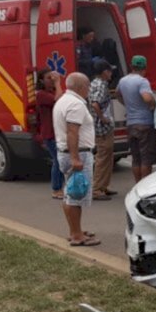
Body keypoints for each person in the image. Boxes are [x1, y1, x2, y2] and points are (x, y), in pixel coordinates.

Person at [53, 72, 99, 246]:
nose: (89, 90)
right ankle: (77, 235)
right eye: (88, 87)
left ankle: (75, 230)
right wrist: (75, 158)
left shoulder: (63, 101)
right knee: (76, 195)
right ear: (81, 87)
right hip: (77, 153)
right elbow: (72, 131)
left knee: (70, 194)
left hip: (67, 152)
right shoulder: (75, 104)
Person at [118, 55, 156, 182]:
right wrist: (153, 105)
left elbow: (117, 94)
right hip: (145, 123)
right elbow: (147, 98)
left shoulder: (123, 81)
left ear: (131, 66)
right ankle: (145, 186)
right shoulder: (142, 81)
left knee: (136, 158)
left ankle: (137, 184)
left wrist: (127, 105)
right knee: (146, 158)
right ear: (144, 68)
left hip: (131, 123)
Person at [88, 59, 116, 199]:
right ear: (105, 72)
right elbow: (95, 104)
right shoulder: (100, 85)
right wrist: (103, 118)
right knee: (103, 158)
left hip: (101, 127)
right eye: (110, 71)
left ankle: (103, 186)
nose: (111, 73)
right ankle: (97, 189)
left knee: (107, 157)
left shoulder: (95, 83)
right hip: (102, 128)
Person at [35, 69, 65, 199]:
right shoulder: (41, 94)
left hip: (58, 132)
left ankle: (61, 187)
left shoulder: (51, 92)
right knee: (58, 160)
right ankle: (56, 188)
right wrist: (58, 83)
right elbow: (57, 100)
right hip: (50, 134)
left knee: (62, 160)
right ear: (41, 80)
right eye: (49, 78)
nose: (51, 80)